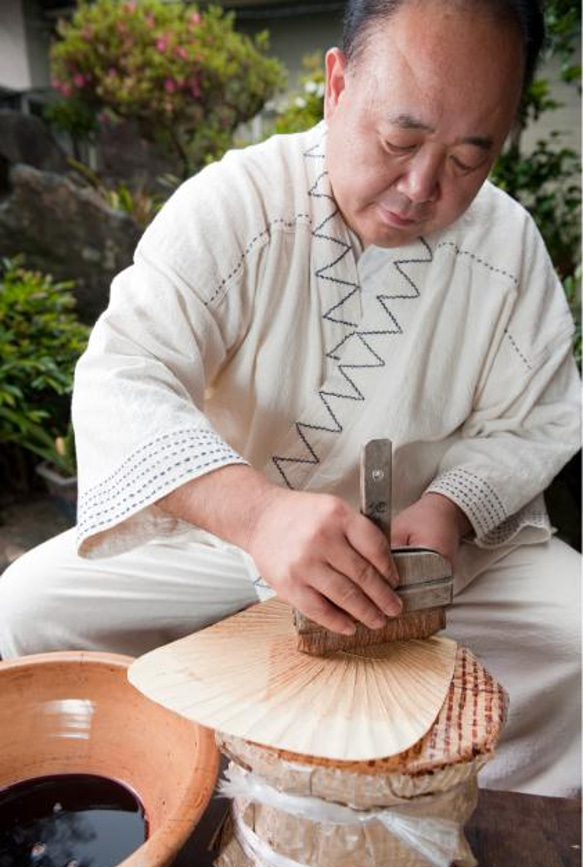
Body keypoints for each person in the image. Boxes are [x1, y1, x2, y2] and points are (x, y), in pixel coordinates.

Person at [0, 0, 580, 797]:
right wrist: (258, 514)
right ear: (336, 87)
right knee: (30, 612)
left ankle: (481, 806)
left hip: (419, 565)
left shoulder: (508, 245)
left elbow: (539, 415)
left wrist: (452, 505)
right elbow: (124, 371)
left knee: (574, 632)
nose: (419, 187)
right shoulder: (235, 204)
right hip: (224, 547)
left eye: (467, 159)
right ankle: (178, 787)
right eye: (398, 140)